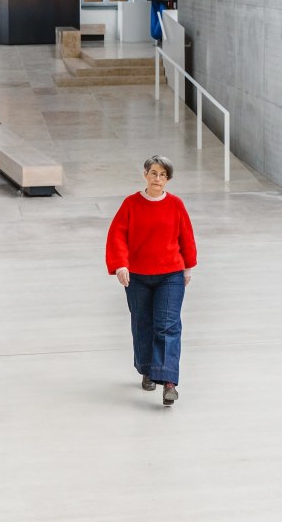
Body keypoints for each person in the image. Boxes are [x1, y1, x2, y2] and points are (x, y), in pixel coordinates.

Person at [105, 155, 198, 406]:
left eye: (163, 175)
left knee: (168, 325)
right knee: (143, 323)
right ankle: (147, 370)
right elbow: (117, 237)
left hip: (171, 275)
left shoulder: (176, 205)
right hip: (138, 276)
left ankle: (169, 382)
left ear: (168, 180)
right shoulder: (131, 204)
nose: (158, 179)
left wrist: (188, 267)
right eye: (154, 173)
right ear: (145, 174)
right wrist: (121, 265)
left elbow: (186, 237)